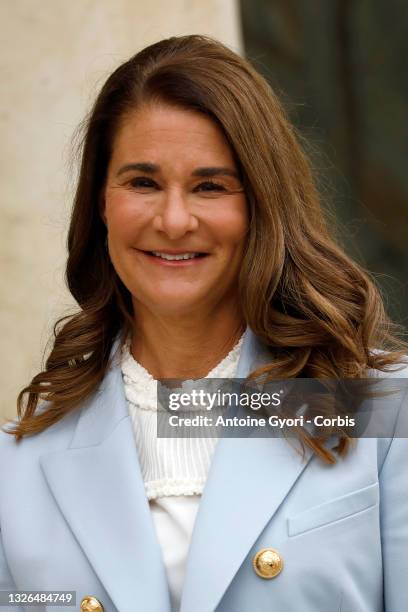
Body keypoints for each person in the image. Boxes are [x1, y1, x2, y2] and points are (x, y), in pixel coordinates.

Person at [0, 34, 407, 612]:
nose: (173, 219)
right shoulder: (20, 464)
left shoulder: (377, 409)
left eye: (209, 186)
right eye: (142, 182)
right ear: (100, 203)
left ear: (261, 204)